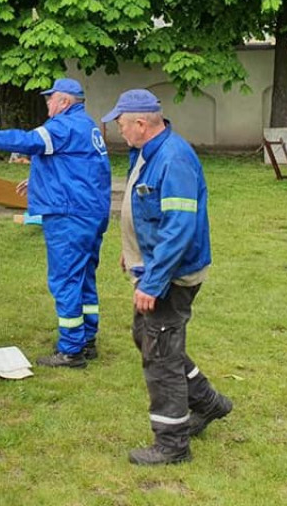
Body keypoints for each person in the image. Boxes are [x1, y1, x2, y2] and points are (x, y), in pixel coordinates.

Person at [101, 88, 232, 465]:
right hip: (155, 266)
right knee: (149, 337)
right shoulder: (147, 152)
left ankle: (172, 444)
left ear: (141, 124)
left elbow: (178, 228)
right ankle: (208, 403)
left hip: (171, 275)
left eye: (122, 124)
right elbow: (146, 212)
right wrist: (132, 255)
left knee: (160, 354)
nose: (119, 131)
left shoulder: (173, 159)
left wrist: (153, 282)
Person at [0, 78, 111, 368]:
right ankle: (87, 340)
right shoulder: (87, 126)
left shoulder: (62, 126)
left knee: (65, 279)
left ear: (64, 101)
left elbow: (27, 142)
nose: (47, 103)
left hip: (68, 215)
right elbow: (81, 168)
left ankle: (71, 350)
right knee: (84, 275)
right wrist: (37, 180)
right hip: (90, 213)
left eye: (50, 98)